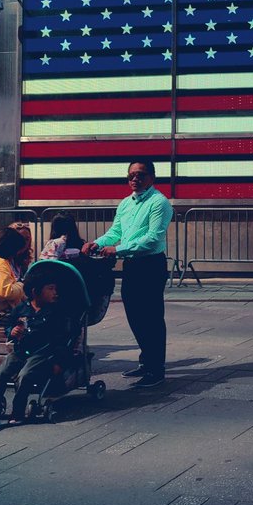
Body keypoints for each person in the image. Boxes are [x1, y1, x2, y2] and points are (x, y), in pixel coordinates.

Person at [83, 161, 173, 388]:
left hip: (151, 265)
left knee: (151, 318)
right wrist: (97, 243)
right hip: (132, 265)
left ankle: (156, 369)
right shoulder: (125, 203)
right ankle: (146, 361)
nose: (135, 179)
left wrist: (117, 249)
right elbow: (116, 232)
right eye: (131, 175)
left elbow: (153, 238)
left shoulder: (159, 203)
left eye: (140, 175)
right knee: (135, 316)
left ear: (152, 177)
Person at [0, 269, 71, 430]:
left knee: (24, 375)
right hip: (21, 350)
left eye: (55, 289)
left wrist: (59, 361)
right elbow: (8, 327)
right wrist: (11, 331)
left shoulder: (56, 312)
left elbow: (63, 339)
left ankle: (18, 410)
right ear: (36, 292)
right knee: (0, 373)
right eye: (50, 289)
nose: (55, 293)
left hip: (43, 352)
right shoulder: (21, 309)